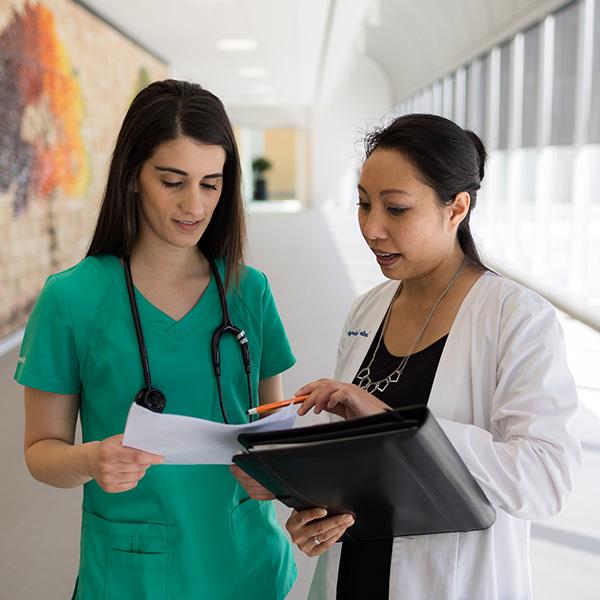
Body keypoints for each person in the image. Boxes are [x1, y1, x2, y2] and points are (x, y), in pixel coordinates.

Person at [243, 113, 580, 599]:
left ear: (456, 208)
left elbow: (544, 479)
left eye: (396, 209)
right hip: (355, 573)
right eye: (363, 205)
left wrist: (399, 425)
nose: (372, 228)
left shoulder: (516, 318)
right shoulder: (369, 308)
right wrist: (312, 505)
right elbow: (363, 466)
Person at [15, 79, 297, 600]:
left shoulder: (248, 291)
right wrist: (91, 459)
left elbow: (272, 426)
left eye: (211, 183)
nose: (195, 204)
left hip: (245, 561)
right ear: (132, 177)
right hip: (135, 574)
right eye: (173, 181)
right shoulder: (72, 299)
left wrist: (280, 471)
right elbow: (40, 453)